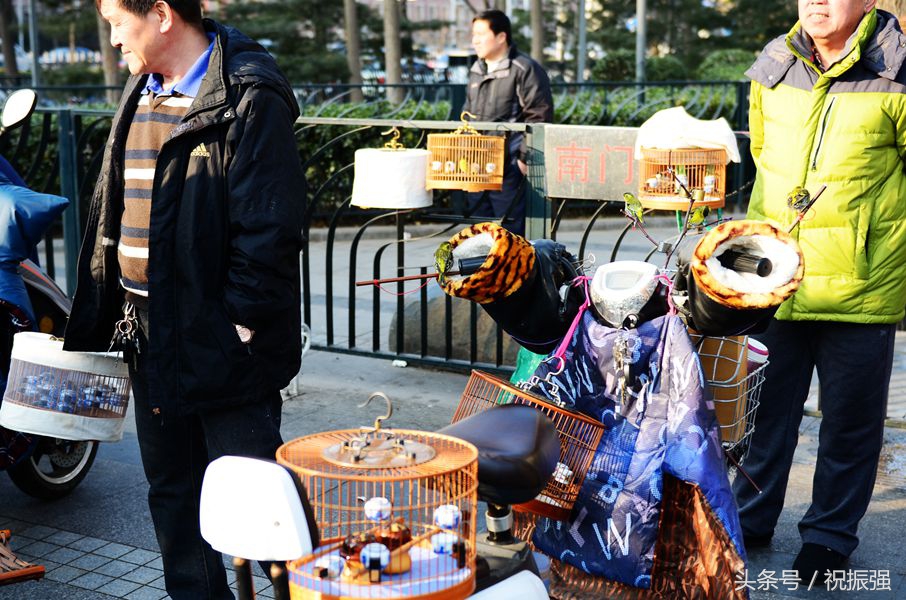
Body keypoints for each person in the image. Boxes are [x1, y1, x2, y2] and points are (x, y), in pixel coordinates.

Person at [64, 1, 305, 598]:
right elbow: (111, 212)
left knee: (257, 504)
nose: (114, 38)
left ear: (163, 15)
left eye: (118, 22)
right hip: (145, 329)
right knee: (173, 493)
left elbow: (270, 230)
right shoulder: (141, 89)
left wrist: (236, 325)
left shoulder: (250, 94)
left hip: (223, 338)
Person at [734, 0, 906, 585]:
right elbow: (762, 161)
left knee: (850, 424)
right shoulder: (776, 64)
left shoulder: (898, 71)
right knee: (762, 416)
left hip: (861, 284)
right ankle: (750, 518)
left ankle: (830, 536)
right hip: (776, 278)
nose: (817, 4)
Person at [461, 9, 553, 237]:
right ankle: (485, 273)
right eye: (474, 34)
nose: (475, 40)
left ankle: (514, 273)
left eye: (481, 34)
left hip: (509, 168)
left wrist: (523, 159)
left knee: (509, 233)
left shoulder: (525, 69)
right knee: (479, 233)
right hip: (477, 167)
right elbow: (467, 114)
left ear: (501, 37)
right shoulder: (476, 70)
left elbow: (539, 115)